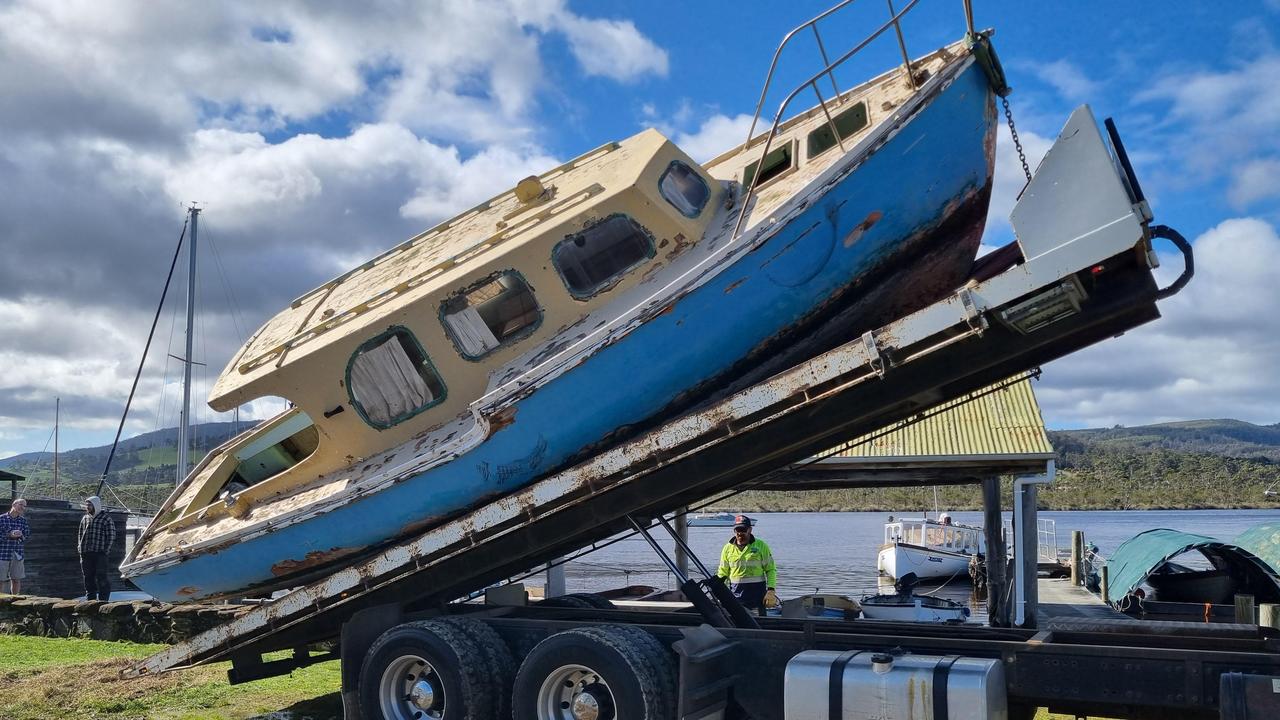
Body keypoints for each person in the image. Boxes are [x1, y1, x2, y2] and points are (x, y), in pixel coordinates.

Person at [716, 514, 777, 616]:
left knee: (759, 625)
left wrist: (771, 590)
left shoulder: (761, 546)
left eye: (743, 529)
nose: (740, 533)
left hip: (757, 598)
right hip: (735, 597)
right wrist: (719, 593)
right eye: (737, 530)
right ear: (734, 531)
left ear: (750, 530)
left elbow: (771, 570)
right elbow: (722, 573)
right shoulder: (727, 548)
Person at [78, 496, 115, 602]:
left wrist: (105, 550)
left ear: (96, 505)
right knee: (88, 578)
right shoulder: (85, 518)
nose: (87, 507)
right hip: (86, 553)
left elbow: (111, 535)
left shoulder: (106, 518)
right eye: (87, 505)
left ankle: (103, 601)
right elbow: (80, 534)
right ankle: (90, 600)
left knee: (101, 577)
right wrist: (80, 548)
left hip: (100, 553)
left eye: (89, 505)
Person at [0, 498, 30, 595]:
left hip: (17, 554)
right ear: (14, 504)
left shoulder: (23, 521)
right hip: (2, 554)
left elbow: (27, 535)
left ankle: (15, 601)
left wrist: (20, 535)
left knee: (16, 579)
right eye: (21, 504)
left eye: (24, 506)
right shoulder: (1, 519)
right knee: (1, 580)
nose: (23, 507)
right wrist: (9, 535)